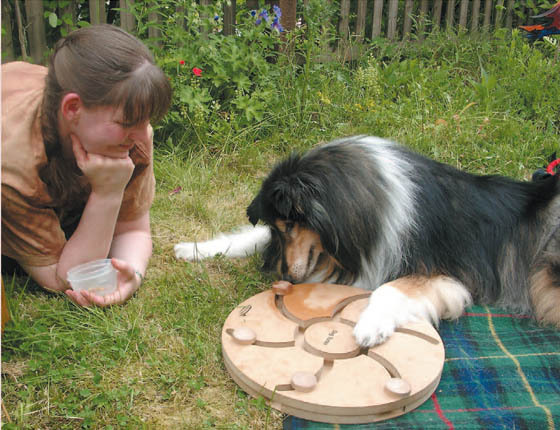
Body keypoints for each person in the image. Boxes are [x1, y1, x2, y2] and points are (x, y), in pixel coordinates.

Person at [1, 24, 172, 307]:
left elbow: (133, 228)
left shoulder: (136, 135)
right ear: (72, 109)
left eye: (146, 120)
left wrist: (131, 273)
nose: (144, 136)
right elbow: (63, 278)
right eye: (127, 123)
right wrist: (107, 194)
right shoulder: (13, 167)